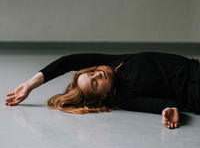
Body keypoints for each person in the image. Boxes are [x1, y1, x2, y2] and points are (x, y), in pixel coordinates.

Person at [4, 51, 200, 129]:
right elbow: (163, 104)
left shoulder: (113, 63)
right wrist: (171, 110)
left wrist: (29, 84)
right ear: (102, 97)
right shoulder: (123, 98)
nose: (98, 76)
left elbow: (68, 61)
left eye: (93, 73)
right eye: (95, 84)